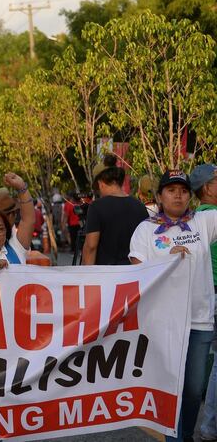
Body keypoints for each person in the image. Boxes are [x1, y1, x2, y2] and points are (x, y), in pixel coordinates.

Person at [129, 170, 217, 442]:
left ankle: (185, 434)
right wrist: (167, 259)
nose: (177, 195)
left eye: (183, 190)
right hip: (163, 323)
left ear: (191, 195)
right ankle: (175, 438)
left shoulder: (203, 221)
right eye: (171, 190)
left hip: (199, 319)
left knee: (192, 390)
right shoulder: (145, 229)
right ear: (159, 196)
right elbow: (137, 271)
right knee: (169, 387)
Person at [82, 154, 148, 265]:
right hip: (133, 275)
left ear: (100, 183)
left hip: (106, 276)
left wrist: (87, 276)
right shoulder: (140, 206)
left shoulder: (97, 207)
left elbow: (91, 246)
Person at [191, 164, 217, 442]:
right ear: (207, 188)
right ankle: (209, 427)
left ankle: (208, 427)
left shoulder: (194, 217)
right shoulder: (213, 218)